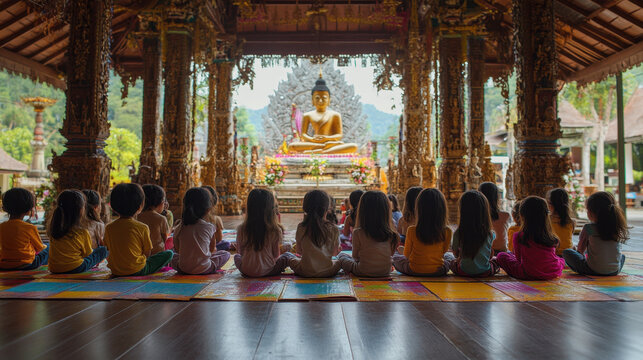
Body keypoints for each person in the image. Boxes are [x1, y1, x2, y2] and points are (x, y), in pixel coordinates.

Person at [104, 183, 173, 276]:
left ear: (113, 207)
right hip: (138, 270)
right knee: (169, 254)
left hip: (116, 270)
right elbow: (147, 252)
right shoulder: (143, 227)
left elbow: (107, 249)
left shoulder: (109, 227)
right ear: (140, 206)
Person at [496, 196, 564, 280]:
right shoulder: (551, 236)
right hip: (551, 271)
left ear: (522, 215)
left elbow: (518, 259)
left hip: (528, 273)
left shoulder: (519, 236)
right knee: (559, 259)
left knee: (501, 256)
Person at [562, 191, 629, 276]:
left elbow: (580, 250)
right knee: (622, 256)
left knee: (567, 252)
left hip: (592, 270)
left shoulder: (589, 228)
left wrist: (577, 252)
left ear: (592, 212)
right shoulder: (616, 227)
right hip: (614, 271)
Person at [337, 191, 399, 278]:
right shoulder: (392, 233)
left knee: (341, 256)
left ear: (362, 210)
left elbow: (355, 256)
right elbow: (391, 255)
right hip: (386, 270)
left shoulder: (358, 232)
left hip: (362, 270)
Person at [234, 189, 294, 277]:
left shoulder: (241, 229)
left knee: (236, 257)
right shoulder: (275, 230)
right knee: (287, 255)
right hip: (269, 271)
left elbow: (240, 252)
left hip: (246, 271)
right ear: (271, 209)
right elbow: (276, 255)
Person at [171, 187, 230, 274]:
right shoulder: (209, 227)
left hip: (183, 268)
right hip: (204, 268)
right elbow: (212, 249)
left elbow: (176, 248)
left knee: (171, 255)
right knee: (226, 254)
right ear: (208, 209)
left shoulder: (179, 226)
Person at [393, 188, 451, 276]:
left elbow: (407, 254)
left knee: (395, 258)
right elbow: (444, 251)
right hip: (438, 270)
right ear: (443, 209)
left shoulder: (412, 230)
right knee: (449, 257)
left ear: (418, 208)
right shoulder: (447, 231)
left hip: (414, 270)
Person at [48, 190, 108, 274]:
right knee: (103, 250)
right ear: (81, 210)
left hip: (54, 268)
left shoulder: (54, 229)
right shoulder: (82, 232)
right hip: (76, 268)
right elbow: (88, 254)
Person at [444, 190, 498, 277]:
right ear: (484, 211)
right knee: (498, 259)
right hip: (485, 271)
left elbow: (455, 254)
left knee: (449, 257)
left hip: (463, 271)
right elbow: (490, 255)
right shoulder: (490, 234)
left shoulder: (459, 232)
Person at [289, 190, 341, 277]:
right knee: (342, 259)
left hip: (304, 271)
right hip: (328, 272)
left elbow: (299, 251)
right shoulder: (334, 228)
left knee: (288, 258)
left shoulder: (301, 227)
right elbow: (334, 254)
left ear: (305, 207)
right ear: (327, 208)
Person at [0, 188, 48, 270]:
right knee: (48, 248)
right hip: (27, 264)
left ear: (5, 208)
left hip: (4, 265)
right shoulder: (29, 227)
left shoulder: (1, 227)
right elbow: (40, 247)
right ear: (28, 208)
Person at [137, 184, 170, 255]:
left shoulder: (136, 216)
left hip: (140, 254)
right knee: (170, 253)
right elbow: (165, 239)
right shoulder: (161, 219)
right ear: (160, 202)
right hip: (157, 255)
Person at [479, 182, 511, 254]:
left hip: (483, 253)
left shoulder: (477, 217)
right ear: (497, 197)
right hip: (501, 252)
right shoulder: (506, 215)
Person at [547, 188, 575, 255]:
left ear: (550, 204)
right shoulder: (572, 222)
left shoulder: (546, 220)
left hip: (553, 254)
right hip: (568, 255)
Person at [202, 185, 231, 251]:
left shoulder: (186, 221)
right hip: (207, 251)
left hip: (189, 251)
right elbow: (219, 239)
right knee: (226, 244)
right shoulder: (215, 219)